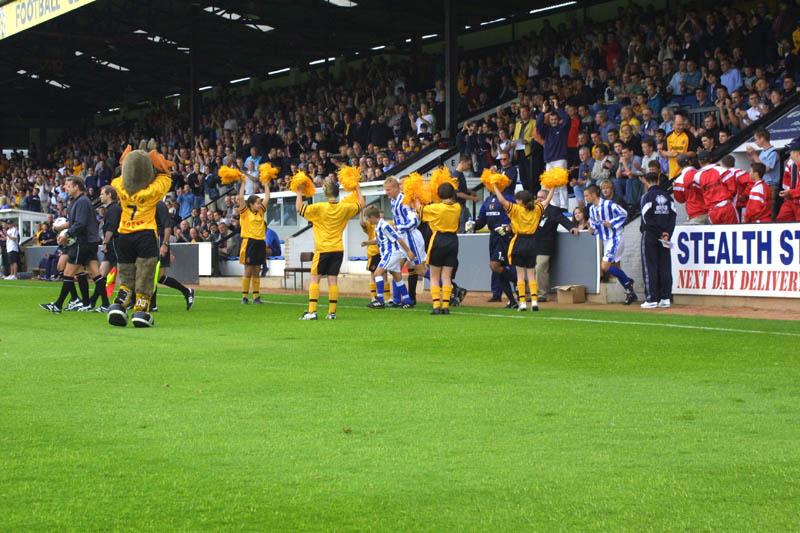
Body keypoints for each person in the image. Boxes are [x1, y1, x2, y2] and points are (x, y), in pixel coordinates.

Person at [106, 145, 173, 328]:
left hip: (124, 235)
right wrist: (155, 162)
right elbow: (165, 178)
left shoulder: (120, 187)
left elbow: (118, 179)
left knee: (126, 275)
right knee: (145, 274)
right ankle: (141, 310)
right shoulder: (151, 192)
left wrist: (127, 162)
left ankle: (119, 305)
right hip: (145, 235)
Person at [296, 180, 364, 320]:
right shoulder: (345, 208)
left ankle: (312, 312)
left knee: (315, 278)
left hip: (323, 249)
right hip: (338, 249)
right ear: (338, 193)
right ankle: (332, 313)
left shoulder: (319, 207)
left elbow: (299, 208)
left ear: (326, 194)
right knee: (333, 280)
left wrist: (299, 191)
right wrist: (356, 186)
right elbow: (362, 204)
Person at [40, 177, 106, 313]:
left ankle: (58, 305)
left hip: (83, 242)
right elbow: (74, 222)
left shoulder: (82, 201)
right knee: (95, 273)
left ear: (77, 187)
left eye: (68, 185)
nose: (65, 187)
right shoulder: (78, 201)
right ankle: (104, 304)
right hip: (89, 242)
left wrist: (67, 235)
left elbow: (79, 223)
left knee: (68, 273)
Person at [490, 183, 555, 312]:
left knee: (521, 275)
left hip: (519, 241)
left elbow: (502, 200)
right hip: (532, 242)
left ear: (520, 201)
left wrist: (495, 186)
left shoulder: (515, 209)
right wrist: (553, 186)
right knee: (531, 274)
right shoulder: (537, 208)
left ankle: (523, 303)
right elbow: (548, 200)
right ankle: (535, 302)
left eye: (517, 199)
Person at [583, 184, 637, 305]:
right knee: (614, 268)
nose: (585, 198)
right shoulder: (591, 209)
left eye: (586, 196)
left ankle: (628, 282)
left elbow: (624, 213)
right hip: (606, 240)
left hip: (615, 238)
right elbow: (596, 227)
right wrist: (592, 230)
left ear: (593, 195)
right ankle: (630, 291)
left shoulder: (608, 204)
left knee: (605, 267)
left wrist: (612, 223)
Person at [415, 182, 461, 314]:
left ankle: (436, 306)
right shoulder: (457, 207)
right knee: (447, 276)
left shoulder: (436, 208)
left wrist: (416, 197)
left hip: (438, 239)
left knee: (435, 276)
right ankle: (445, 306)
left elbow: (420, 209)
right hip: (453, 240)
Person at [472, 180, 518, 307]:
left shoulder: (508, 198)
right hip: (494, 237)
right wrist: (473, 225)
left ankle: (520, 286)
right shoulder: (487, 200)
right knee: (497, 268)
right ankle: (505, 297)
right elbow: (481, 221)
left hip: (506, 237)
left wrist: (508, 228)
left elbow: (516, 216)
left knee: (499, 265)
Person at [383, 176, 427, 306]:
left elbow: (414, 221)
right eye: (386, 190)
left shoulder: (404, 201)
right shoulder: (393, 200)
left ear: (396, 188)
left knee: (420, 270)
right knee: (395, 268)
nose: (387, 193)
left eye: (388, 190)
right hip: (402, 238)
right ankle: (398, 300)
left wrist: (398, 227)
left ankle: (452, 289)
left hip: (411, 237)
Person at [363, 206, 415, 309]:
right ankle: (407, 300)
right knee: (397, 277)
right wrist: (367, 243)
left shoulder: (385, 226)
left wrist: (408, 251)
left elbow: (398, 238)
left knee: (377, 273)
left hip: (391, 253)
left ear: (372, 217)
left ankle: (380, 300)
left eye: (368, 218)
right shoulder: (378, 226)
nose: (368, 221)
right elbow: (379, 240)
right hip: (389, 254)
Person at [639, 172, 677, 309]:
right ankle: (665, 297)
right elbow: (673, 216)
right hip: (665, 236)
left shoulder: (647, 197)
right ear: (658, 181)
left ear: (646, 181)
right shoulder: (668, 197)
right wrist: (667, 233)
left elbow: (646, 218)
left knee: (650, 267)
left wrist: (659, 233)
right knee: (665, 266)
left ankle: (652, 298)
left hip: (650, 235)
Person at [149, 200, 195, 312]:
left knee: (154, 274)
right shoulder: (149, 203)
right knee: (157, 276)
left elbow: (167, 226)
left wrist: (164, 244)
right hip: (151, 240)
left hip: (159, 240)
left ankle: (152, 306)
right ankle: (186, 291)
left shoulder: (159, 205)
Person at [533, 189, 578, 302]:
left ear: (548, 198)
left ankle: (542, 294)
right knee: (529, 269)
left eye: (542, 197)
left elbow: (563, 220)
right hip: (532, 245)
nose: (539, 199)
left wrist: (571, 227)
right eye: (538, 197)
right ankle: (532, 293)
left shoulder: (553, 211)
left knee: (540, 267)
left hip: (545, 245)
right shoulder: (533, 209)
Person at [237, 183, 270, 304]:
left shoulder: (260, 211)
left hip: (260, 242)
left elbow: (267, 197)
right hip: (249, 242)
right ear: (251, 204)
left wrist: (266, 181)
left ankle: (256, 297)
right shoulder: (245, 212)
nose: (260, 204)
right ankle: (245, 297)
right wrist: (243, 183)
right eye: (257, 202)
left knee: (257, 269)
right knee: (248, 270)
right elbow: (240, 198)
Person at [535, 96, 571, 207]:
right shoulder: (547, 130)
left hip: (560, 159)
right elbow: (539, 123)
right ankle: (555, 206)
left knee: (561, 184)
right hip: (549, 161)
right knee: (550, 185)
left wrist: (557, 107)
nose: (554, 121)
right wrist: (544, 110)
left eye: (555, 120)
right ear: (549, 121)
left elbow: (567, 119)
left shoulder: (563, 128)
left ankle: (564, 207)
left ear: (559, 120)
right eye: (552, 120)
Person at [90, 185, 121, 311]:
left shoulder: (114, 209)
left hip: (115, 245)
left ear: (109, 195)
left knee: (124, 275)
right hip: (113, 245)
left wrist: (106, 243)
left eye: (102, 194)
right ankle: (97, 301)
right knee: (101, 275)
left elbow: (111, 228)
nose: (100, 196)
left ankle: (125, 301)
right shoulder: (111, 209)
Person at [693, 150, 738, 224]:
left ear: (699, 162)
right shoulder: (722, 170)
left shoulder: (697, 176)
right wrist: (729, 198)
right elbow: (733, 188)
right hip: (726, 206)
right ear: (711, 159)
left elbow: (699, 193)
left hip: (712, 210)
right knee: (733, 232)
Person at [745, 128, 781, 220]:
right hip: (762, 185)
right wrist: (751, 157)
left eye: (756, 139)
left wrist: (755, 156)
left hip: (770, 186)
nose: (755, 142)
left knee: (769, 211)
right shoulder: (763, 152)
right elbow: (757, 166)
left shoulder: (773, 153)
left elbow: (765, 169)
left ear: (762, 138)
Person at [672, 154, 707, 224]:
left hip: (695, 213)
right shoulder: (702, 173)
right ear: (690, 162)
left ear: (678, 166)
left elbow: (680, 200)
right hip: (710, 211)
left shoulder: (679, 180)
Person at [660, 113, 697, 180]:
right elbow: (662, 152)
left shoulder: (689, 135)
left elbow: (694, 153)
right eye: (678, 125)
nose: (681, 127)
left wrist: (681, 155)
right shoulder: (669, 136)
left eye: (682, 124)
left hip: (685, 172)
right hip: (672, 172)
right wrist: (668, 154)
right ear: (673, 124)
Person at [777, 137, 800, 222]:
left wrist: (790, 192)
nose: (790, 155)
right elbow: (786, 181)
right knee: (782, 219)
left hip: (795, 196)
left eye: (792, 152)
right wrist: (788, 193)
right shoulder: (790, 163)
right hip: (791, 198)